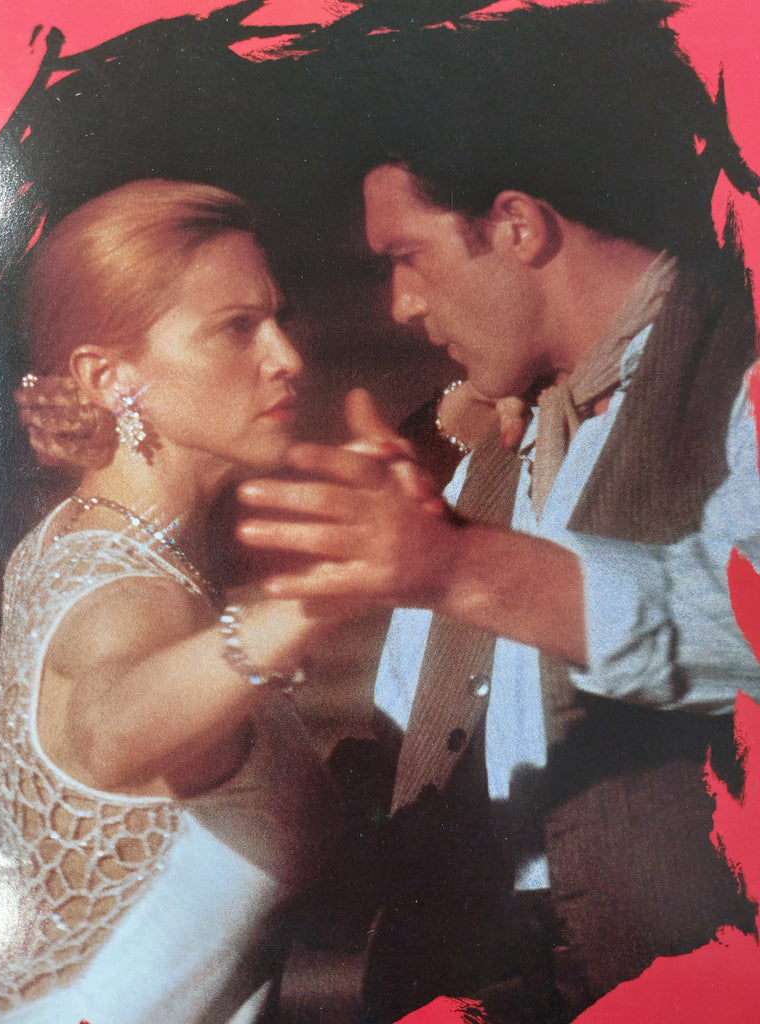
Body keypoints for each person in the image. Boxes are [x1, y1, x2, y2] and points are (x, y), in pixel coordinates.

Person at [234, 3, 760, 1021]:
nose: (400, 304)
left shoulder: (739, 359)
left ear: (517, 224)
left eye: (406, 255)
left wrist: (461, 567)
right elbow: (419, 755)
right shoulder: (475, 431)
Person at [0, 179, 341, 1023]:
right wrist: (323, 596)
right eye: (236, 329)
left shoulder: (82, 536)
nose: (286, 356)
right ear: (109, 378)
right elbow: (110, 730)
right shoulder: (124, 596)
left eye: (280, 318)